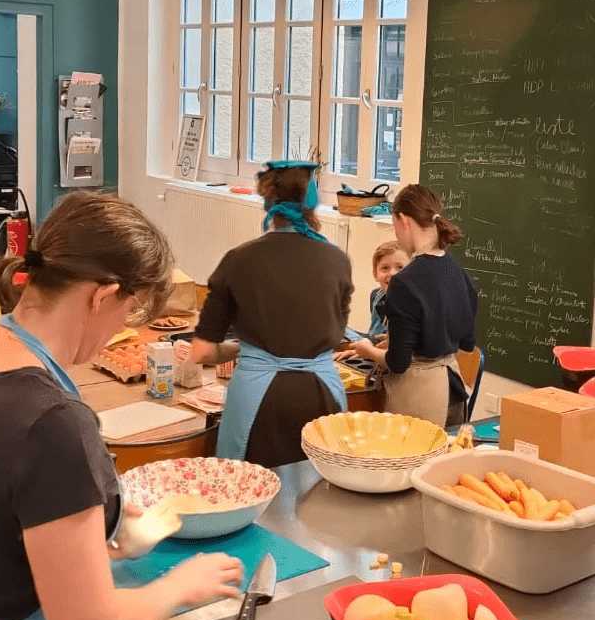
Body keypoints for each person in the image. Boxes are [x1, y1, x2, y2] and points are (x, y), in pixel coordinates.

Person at [0, 191, 243, 620]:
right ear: (102, 296)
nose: (122, 326)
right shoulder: (53, 421)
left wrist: (94, 544)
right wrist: (182, 585)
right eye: (129, 309)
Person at [190, 161, 354, 468]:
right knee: (321, 491)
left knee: (251, 491)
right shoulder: (338, 260)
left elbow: (202, 351)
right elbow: (335, 332)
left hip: (258, 398)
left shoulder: (239, 260)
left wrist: (243, 350)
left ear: (267, 202)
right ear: (313, 203)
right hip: (322, 394)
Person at [347, 184, 479, 427]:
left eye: (395, 227)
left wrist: (367, 349)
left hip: (420, 398)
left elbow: (398, 362)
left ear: (404, 221)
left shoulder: (404, 283)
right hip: (454, 391)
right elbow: (467, 343)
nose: (396, 235)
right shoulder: (459, 272)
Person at [366, 240, 410, 341]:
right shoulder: (375, 295)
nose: (393, 274)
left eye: (400, 267)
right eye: (385, 268)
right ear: (375, 274)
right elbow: (373, 334)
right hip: (374, 346)